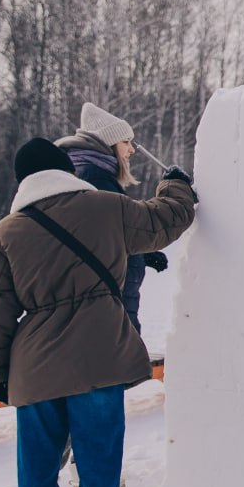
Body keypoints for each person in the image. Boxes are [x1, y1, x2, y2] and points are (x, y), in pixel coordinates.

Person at [0, 138, 196, 487]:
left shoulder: (6, 233)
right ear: (63, 169)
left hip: (34, 372)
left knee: (35, 476)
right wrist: (176, 184)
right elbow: (164, 220)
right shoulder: (106, 208)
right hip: (98, 362)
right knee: (97, 474)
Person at [55, 103, 169, 332]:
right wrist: (175, 189)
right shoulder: (96, 179)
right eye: (125, 142)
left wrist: (143, 252)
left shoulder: (95, 176)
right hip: (110, 307)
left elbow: (110, 232)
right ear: (108, 145)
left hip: (112, 303)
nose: (132, 150)